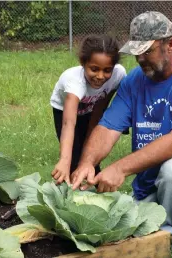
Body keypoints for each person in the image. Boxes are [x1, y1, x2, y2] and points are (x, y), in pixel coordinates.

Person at [70, 11, 172, 257]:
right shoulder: (135, 81)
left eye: (147, 51)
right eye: (137, 52)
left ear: (171, 44)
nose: (140, 58)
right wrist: (87, 164)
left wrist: (120, 168)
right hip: (152, 182)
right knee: (120, 224)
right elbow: (107, 127)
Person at [50, 34, 127, 185]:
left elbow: (102, 102)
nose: (100, 76)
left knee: (91, 153)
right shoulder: (74, 81)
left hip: (93, 109)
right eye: (94, 69)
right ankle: (69, 190)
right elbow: (69, 124)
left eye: (107, 70)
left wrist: (91, 135)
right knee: (73, 157)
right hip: (65, 113)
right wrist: (64, 161)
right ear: (83, 63)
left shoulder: (118, 75)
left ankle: (92, 182)